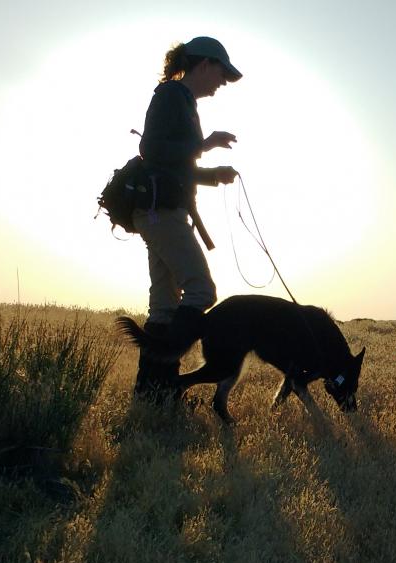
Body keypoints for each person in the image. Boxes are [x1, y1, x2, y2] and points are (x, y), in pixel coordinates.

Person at [132, 36, 242, 401]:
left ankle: (153, 395)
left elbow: (172, 163)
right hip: (161, 212)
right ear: (205, 64)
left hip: (161, 210)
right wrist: (205, 144)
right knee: (201, 289)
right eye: (221, 74)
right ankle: (165, 382)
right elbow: (150, 150)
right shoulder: (171, 96)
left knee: (164, 304)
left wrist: (212, 175)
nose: (222, 83)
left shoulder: (181, 100)